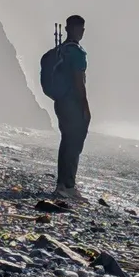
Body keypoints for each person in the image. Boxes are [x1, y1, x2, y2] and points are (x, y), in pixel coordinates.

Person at [49, 14, 89, 195]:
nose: (80, 32)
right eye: (78, 28)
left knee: (66, 141)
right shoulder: (76, 52)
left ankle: (62, 184)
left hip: (60, 102)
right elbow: (79, 82)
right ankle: (68, 185)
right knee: (74, 144)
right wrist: (85, 107)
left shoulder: (61, 50)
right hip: (72, 103)